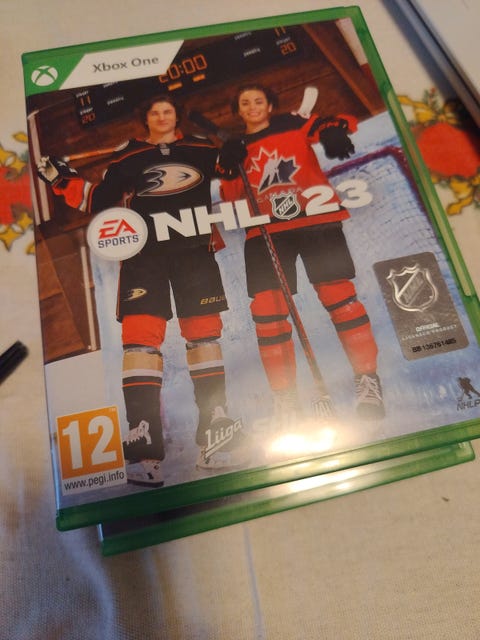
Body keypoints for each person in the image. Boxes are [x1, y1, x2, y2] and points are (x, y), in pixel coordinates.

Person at [37, 94, 248, 485]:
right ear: (145, 118)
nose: (162, 116)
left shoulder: (202, 148)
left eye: (168, 110)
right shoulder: (128, 155)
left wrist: (235, 156)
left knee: (204, 338)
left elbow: (232, 176)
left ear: (177, 115)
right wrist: (63, 181)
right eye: (154, 111)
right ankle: (144, 447)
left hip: (195, 249)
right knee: (140, 345)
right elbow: (99, 200)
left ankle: (215, 432)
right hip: (143, 255)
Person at [220, 83, 385, 423]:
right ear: (237, 111)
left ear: (270, 105)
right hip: (265, 231)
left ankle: (367, 379)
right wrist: (229, 165)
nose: (252, 107)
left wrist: (334, 131)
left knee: (341, 299)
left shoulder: (293, 124)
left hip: (316, 220)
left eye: (259, 101)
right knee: (268, 313)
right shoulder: (235, 147)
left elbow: (342, 121)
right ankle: (285, 399)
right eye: (245, 103)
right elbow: (231, 198)